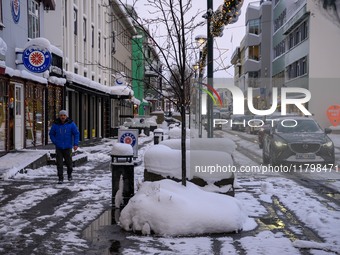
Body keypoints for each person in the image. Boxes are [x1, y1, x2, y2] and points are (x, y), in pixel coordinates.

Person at [49, 110, 80, 184]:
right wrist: (55, 142)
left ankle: (69, 174)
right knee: (59, 164)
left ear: (66, 116)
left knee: (69, 163)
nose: (62, 117)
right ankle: (60, 178)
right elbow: (51, 134)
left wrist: (75, 144)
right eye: (61, 115)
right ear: (59, 116)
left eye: (64, 115)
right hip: (59, 147)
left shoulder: (71, 124)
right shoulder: (56, 125)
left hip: (68, 147)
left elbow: (76, 134)